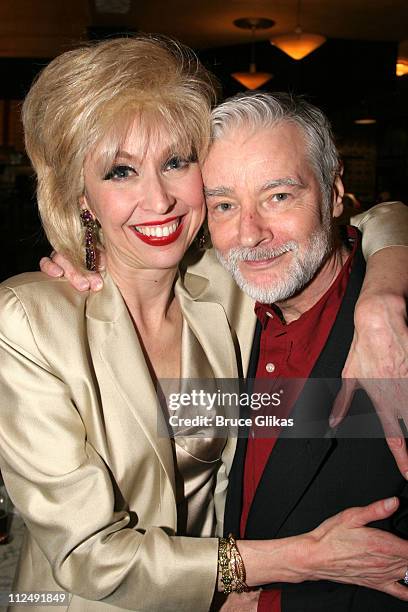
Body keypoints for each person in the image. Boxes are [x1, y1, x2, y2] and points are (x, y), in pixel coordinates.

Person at [1, 37, 408, 612]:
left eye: (175, 162)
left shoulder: (228, 284)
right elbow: (91, 555)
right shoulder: (30, 323)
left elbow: (367, 217)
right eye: (120, 171)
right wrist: (295, 560)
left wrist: (385, 292)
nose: (159, 199)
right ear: (81, 196)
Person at [200, 91, 408, 610]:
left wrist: (270, 603)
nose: (250, 233)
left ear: (335, 193)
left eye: (278, 196)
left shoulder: (393, 330)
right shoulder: (221, 313)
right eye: (224, 205)